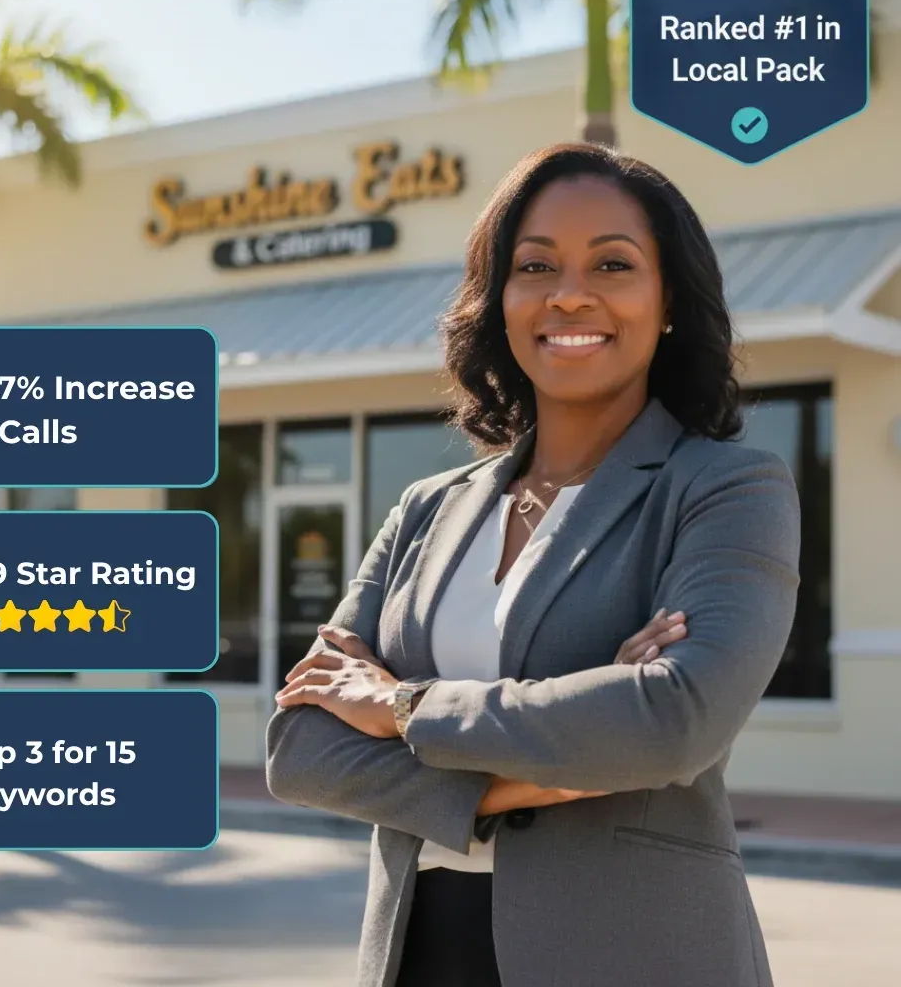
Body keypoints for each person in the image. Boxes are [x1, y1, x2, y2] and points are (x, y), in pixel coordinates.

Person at [266, 143, 800, 987]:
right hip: (418, 957)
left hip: (637, 956)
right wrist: (536, 782)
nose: (570, 294)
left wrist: (400, 706)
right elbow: (300, 746)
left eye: (613, 264)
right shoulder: (426, 509)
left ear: (668, 302)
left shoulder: (727, 488)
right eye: (535, 265)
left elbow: (674, 721)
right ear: (501, 301)